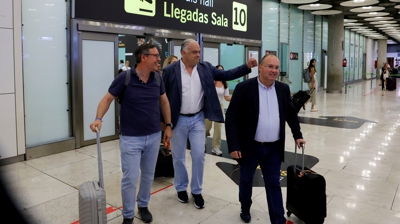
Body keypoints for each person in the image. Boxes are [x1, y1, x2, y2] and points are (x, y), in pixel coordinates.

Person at [162, 38, 257, 209]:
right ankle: (181, 188)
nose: (198, 55)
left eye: (199, 51)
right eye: (194, 52)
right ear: (183, 53)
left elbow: (227, 74)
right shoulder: (170, 70)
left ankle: (197, 191)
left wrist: (247, 66)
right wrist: (165, 124)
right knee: (178, 156)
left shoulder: (205, 68)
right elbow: (163, 97)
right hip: (178, 120)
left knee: (199, 155)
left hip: (198, 118)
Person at [89, 43, 172, 224]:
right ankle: (128, 215)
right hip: (130, 138)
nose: (159, 59)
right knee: (130, 178)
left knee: (149, 174)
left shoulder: (158, 78)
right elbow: (107, 99)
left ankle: (143, 205)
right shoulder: (124, 78)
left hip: (153, 136)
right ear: (144, 57)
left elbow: (164, 102)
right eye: (156, 55)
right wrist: (98, 118)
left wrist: (168, 125)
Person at [225, 54, 306, 224]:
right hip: (250, 146)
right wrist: (233, 145)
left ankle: (278, 221)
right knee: (246, 180)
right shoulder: (244, 88)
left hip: (273, 148)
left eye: (276, 68)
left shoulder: (283, 89)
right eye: (270, 66)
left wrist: (297, 135)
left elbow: (291, 114)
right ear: (260, 67)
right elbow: (232, 117)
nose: (274, 71)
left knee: (273, 184)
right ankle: (245, 206)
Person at [205, 65, 231, 156]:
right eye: (218, 70)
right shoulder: (211, 81)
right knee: (207, 126)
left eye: (222, 71)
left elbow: (227, 97)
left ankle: (216, 147)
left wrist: (236, 97)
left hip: (219, 106)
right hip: (209, 105)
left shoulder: (225, 84)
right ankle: (204, 136)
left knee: (218, 128)